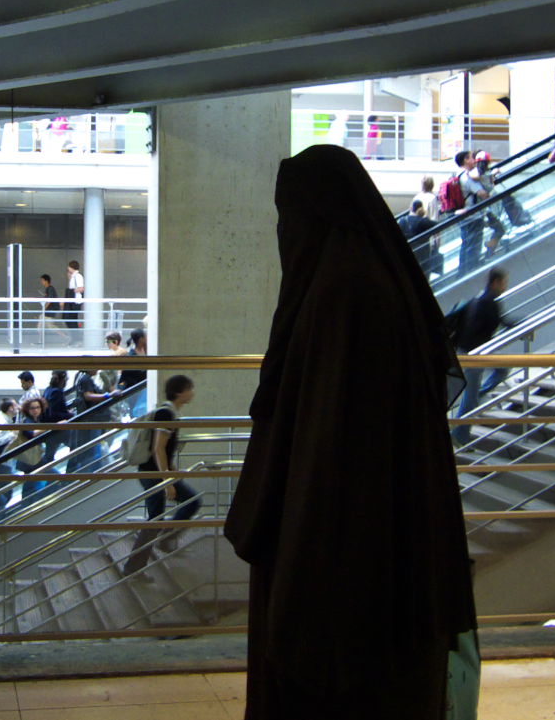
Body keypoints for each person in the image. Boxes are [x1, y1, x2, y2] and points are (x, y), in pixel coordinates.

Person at [226, 145, 479, 717]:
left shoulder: (344, 296)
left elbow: (329, 452)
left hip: (341, 571)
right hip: (372, 561)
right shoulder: (362, 281)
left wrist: (297, 574)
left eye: (288, 216)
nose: (284, 232)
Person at [121, 375, 202, 575]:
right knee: (156, 518)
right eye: (189, 389)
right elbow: (158, 449)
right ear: (179, 393)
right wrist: (167, 481)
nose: (192, 392)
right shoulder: (166, 414)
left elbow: (164, 450)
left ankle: (166, 539)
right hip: (152, 473)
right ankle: (134, 567)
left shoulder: (170, 413)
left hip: (155, 472)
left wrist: (173, 472)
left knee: (188, 503)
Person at [452, 268, 516, 445]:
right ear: (495, 282)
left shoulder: (481, 298)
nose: (505, 286)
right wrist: (520, 324)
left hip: (470, 350)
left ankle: (478, 398)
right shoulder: (489, 302)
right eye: (504, 282)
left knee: (502, 369)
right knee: (470, 398)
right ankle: (459, 435)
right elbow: (501, 322)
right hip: (474, 354)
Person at [35, 274, 69, 345]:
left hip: (49, 312)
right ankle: (40, 341)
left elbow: (49, 300)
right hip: (46, 312)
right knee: (40, 327)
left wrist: (44, 308)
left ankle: (65, 337)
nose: (41, 282)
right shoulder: (48, 289)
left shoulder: (50, 289)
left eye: (42, 280)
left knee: (51, 327)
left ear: (46, 281)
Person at [65, 260, 86, 335]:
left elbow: (81, 288)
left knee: (70, 318)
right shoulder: (73, 276)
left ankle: (76, 337)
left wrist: (73, 291)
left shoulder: (78, 276)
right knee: (69, 318)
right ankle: (75, 336)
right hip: (72, 300)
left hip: (76, 301)